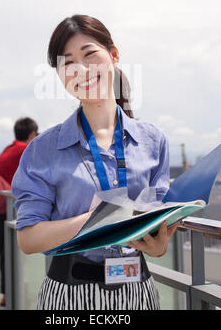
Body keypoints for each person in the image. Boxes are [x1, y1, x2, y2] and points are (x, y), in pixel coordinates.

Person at [11, 15, 179, 310]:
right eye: (68, 63)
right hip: (69, 297)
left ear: (113, 55)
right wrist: (95, 220)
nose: (82, 69)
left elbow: (156, 220)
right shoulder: (43, 151)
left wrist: (159, 244)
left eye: (90, 55)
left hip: (138, 292)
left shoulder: (154, 141)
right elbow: (28, 239)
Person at [0, 117, 38, 306]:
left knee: (6, 254)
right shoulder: (25, 150)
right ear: (32, 135)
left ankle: (9, 294)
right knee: (11, 254)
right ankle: (11, 295)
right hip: (7, 209)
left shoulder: (8, 149)